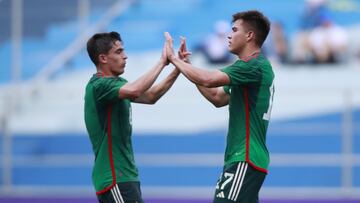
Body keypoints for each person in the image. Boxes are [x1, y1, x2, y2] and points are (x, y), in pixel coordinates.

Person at [164, 10, 274, 203]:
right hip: (246, 159)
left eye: (234, 30)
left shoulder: (251, 65)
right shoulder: (251, 69)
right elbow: (217, 97)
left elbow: (208, 79)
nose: (229, 35)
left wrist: (173, 59)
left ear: (249, 35)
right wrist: (187, 63)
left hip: (245, 157)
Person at [84, 31, 180, 203]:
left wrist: (177, 68)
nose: (125, 56)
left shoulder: (117, 84)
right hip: (114, 177)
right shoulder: (99, 85)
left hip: (125, 175)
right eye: (119, 52)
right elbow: (136, 89)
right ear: (103, 58)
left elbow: (150, 97)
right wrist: (161, 62)